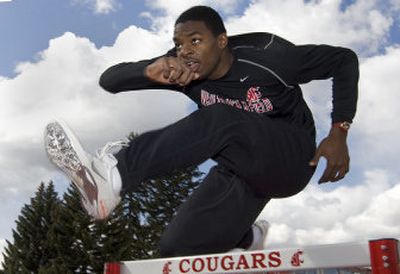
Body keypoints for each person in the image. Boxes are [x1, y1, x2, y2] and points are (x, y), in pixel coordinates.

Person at [44, 6, 358, 257]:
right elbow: (109, 80)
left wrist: (339, 132)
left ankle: (111, 177)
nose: (187, 52)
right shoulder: (180, 68)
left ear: (222, 41)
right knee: (175, 249)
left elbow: (343, 60)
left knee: (221, 118)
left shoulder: (268, 55)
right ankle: (246, 237)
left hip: (292, 157)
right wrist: (147, 70)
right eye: (180, 44)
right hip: (242, 170)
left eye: (196, 41)